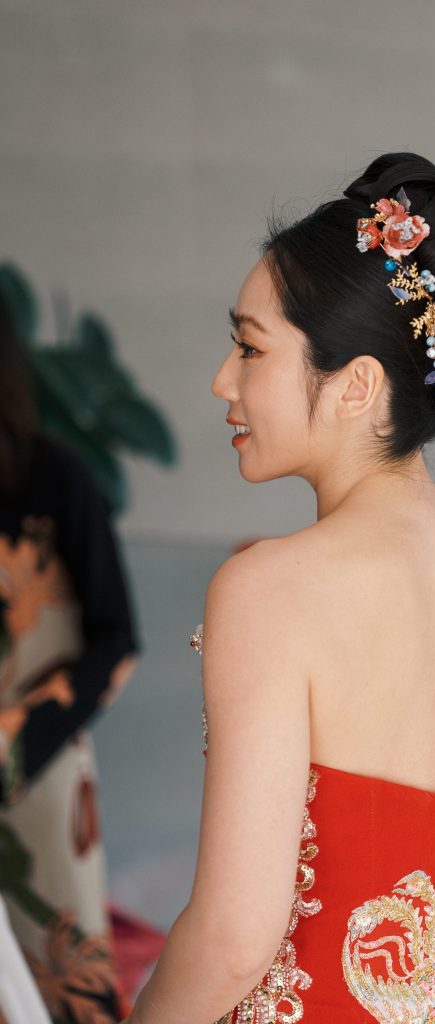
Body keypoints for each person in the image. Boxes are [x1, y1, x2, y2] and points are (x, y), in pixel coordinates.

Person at [124, 152, 435, 1024]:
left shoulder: (268, 591)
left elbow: (234, 937)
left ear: (356, 385)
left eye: (249, 348)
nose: (222, 380)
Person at [0, 289, 140, 1023]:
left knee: (64, 987)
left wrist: (16, 737)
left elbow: (116, 641)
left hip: (38, 769)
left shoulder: (55, 480)